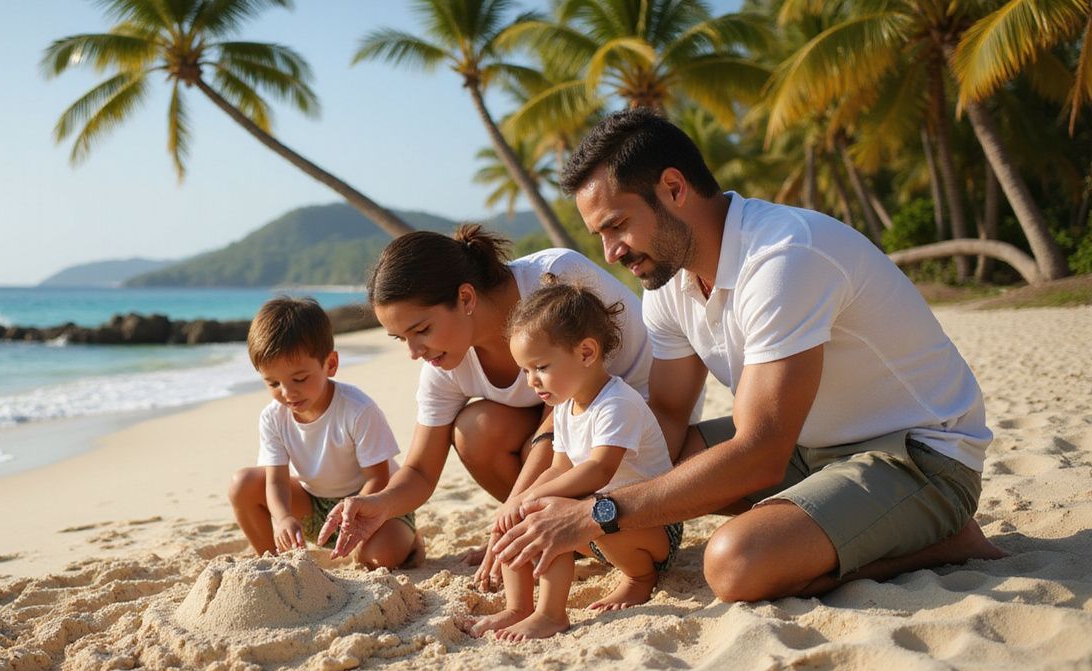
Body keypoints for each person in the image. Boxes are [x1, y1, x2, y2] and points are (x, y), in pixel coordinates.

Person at [493, 108, 1005, 602]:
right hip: (808, 448)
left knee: (735, 562)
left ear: (674, 188)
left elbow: (760, 452)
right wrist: (578, 495)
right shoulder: (669, 281)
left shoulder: (783, 257)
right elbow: (668, 417)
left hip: (918, 457)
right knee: (657, 453)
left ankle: (941, 542)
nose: (611, 252)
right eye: (600, 235)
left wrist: (598, 514)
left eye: (617, 225)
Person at [316, 224, 652, 573]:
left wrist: (509, 517)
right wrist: (380, 503)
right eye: (402, 339)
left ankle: (558, 533)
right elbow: (419, 470)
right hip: (571, 445)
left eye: (421, 330)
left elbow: (564, 416)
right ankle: (554, 535)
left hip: (632, 433)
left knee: (528, 446)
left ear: (465, 298)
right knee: (475, 429)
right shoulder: (442, 363)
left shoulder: (555, 279)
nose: (415, 352)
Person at [468, 278, 680, 640]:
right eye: (525, 371)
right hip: (598, 522)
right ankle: (518, 607)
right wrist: (520, 501)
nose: (532, 381)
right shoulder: (565, 406)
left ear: (585, 353)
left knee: (547, 505)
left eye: (541, 367)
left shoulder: (617, 403)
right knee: (524, 515)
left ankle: (627, 582)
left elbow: (599, 470)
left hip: (650, 525)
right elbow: (558, 466)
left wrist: (536, 498)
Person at [228, 296, 419, 569]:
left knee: (378, 559)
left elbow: (378, 478)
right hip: (315, 503)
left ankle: (412, 540)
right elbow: (277, 482)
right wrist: (282, 518)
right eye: (273, 382)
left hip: (374, 504)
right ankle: (275, 565)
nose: (287, 392)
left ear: (330, 364)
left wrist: (352, 518)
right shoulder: (274, 416)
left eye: (299, 379)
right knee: (242, 484)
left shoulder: (357, 409)